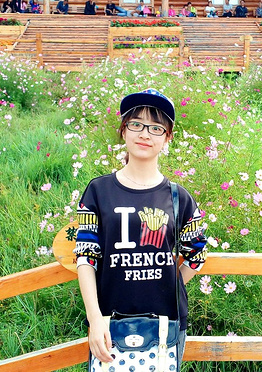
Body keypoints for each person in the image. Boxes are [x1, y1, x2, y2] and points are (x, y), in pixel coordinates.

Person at [74, 88, 208, 370]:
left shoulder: (178, 197)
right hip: (108, 323)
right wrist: (94, 319)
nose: (145, 134)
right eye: (136, 124)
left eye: (156, 128)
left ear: (167, 138)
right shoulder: (98, 191)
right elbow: (85, 256)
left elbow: (197, 254)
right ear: (124, 130)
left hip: (167, 323)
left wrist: (168, 286)